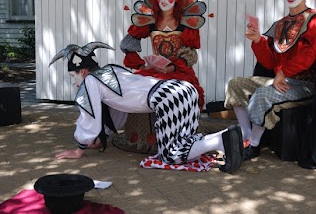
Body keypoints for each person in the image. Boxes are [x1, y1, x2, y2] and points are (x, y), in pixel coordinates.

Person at [49, 42, 243, 173]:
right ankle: (226, 137)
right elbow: (117, 108)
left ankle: (221, 140)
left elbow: (89, 115)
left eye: (73, 76)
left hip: (167, 96)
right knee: (185, 139)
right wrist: (102, 137)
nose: (74, 83)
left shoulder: (90, 81)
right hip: (183, 89)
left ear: (83, 71)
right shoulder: (112, 71)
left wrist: (80, 147)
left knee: (171, 155)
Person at [224, 0, 316, 166]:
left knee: (263, 94)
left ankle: (254, 146)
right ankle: (247, 136)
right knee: (235, 85)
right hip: (280, 79)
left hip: (304, 85)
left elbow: (308, 56)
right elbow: (269, 61)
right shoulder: (281, 24)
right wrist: (258, 40)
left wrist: (283, 73)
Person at [120, 0, 206, 109]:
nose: (163, 0)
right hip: (154, 71)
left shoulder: (186, 23)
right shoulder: (150, 21)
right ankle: (143, 129)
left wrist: (172, 67)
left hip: (180, 71)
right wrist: (141, 65)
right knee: (133, 90)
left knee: (183, 93)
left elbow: (190, 53)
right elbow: (127, 44)